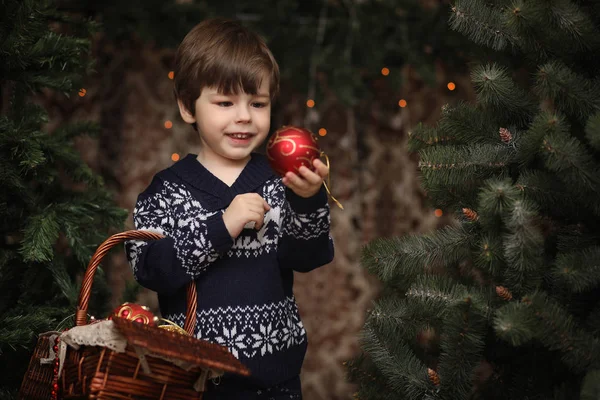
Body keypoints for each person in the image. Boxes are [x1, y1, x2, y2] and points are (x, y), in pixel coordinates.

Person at [125, 17, 334, 400]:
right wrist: (222, 225)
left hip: (276, 380)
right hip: (195, 383)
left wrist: (308, 199)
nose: (244, 116)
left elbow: (309, 255)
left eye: (258, 103)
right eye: (225, 103)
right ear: (189, 108)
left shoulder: (276, 180)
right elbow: (150, 268)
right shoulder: (168, 190)